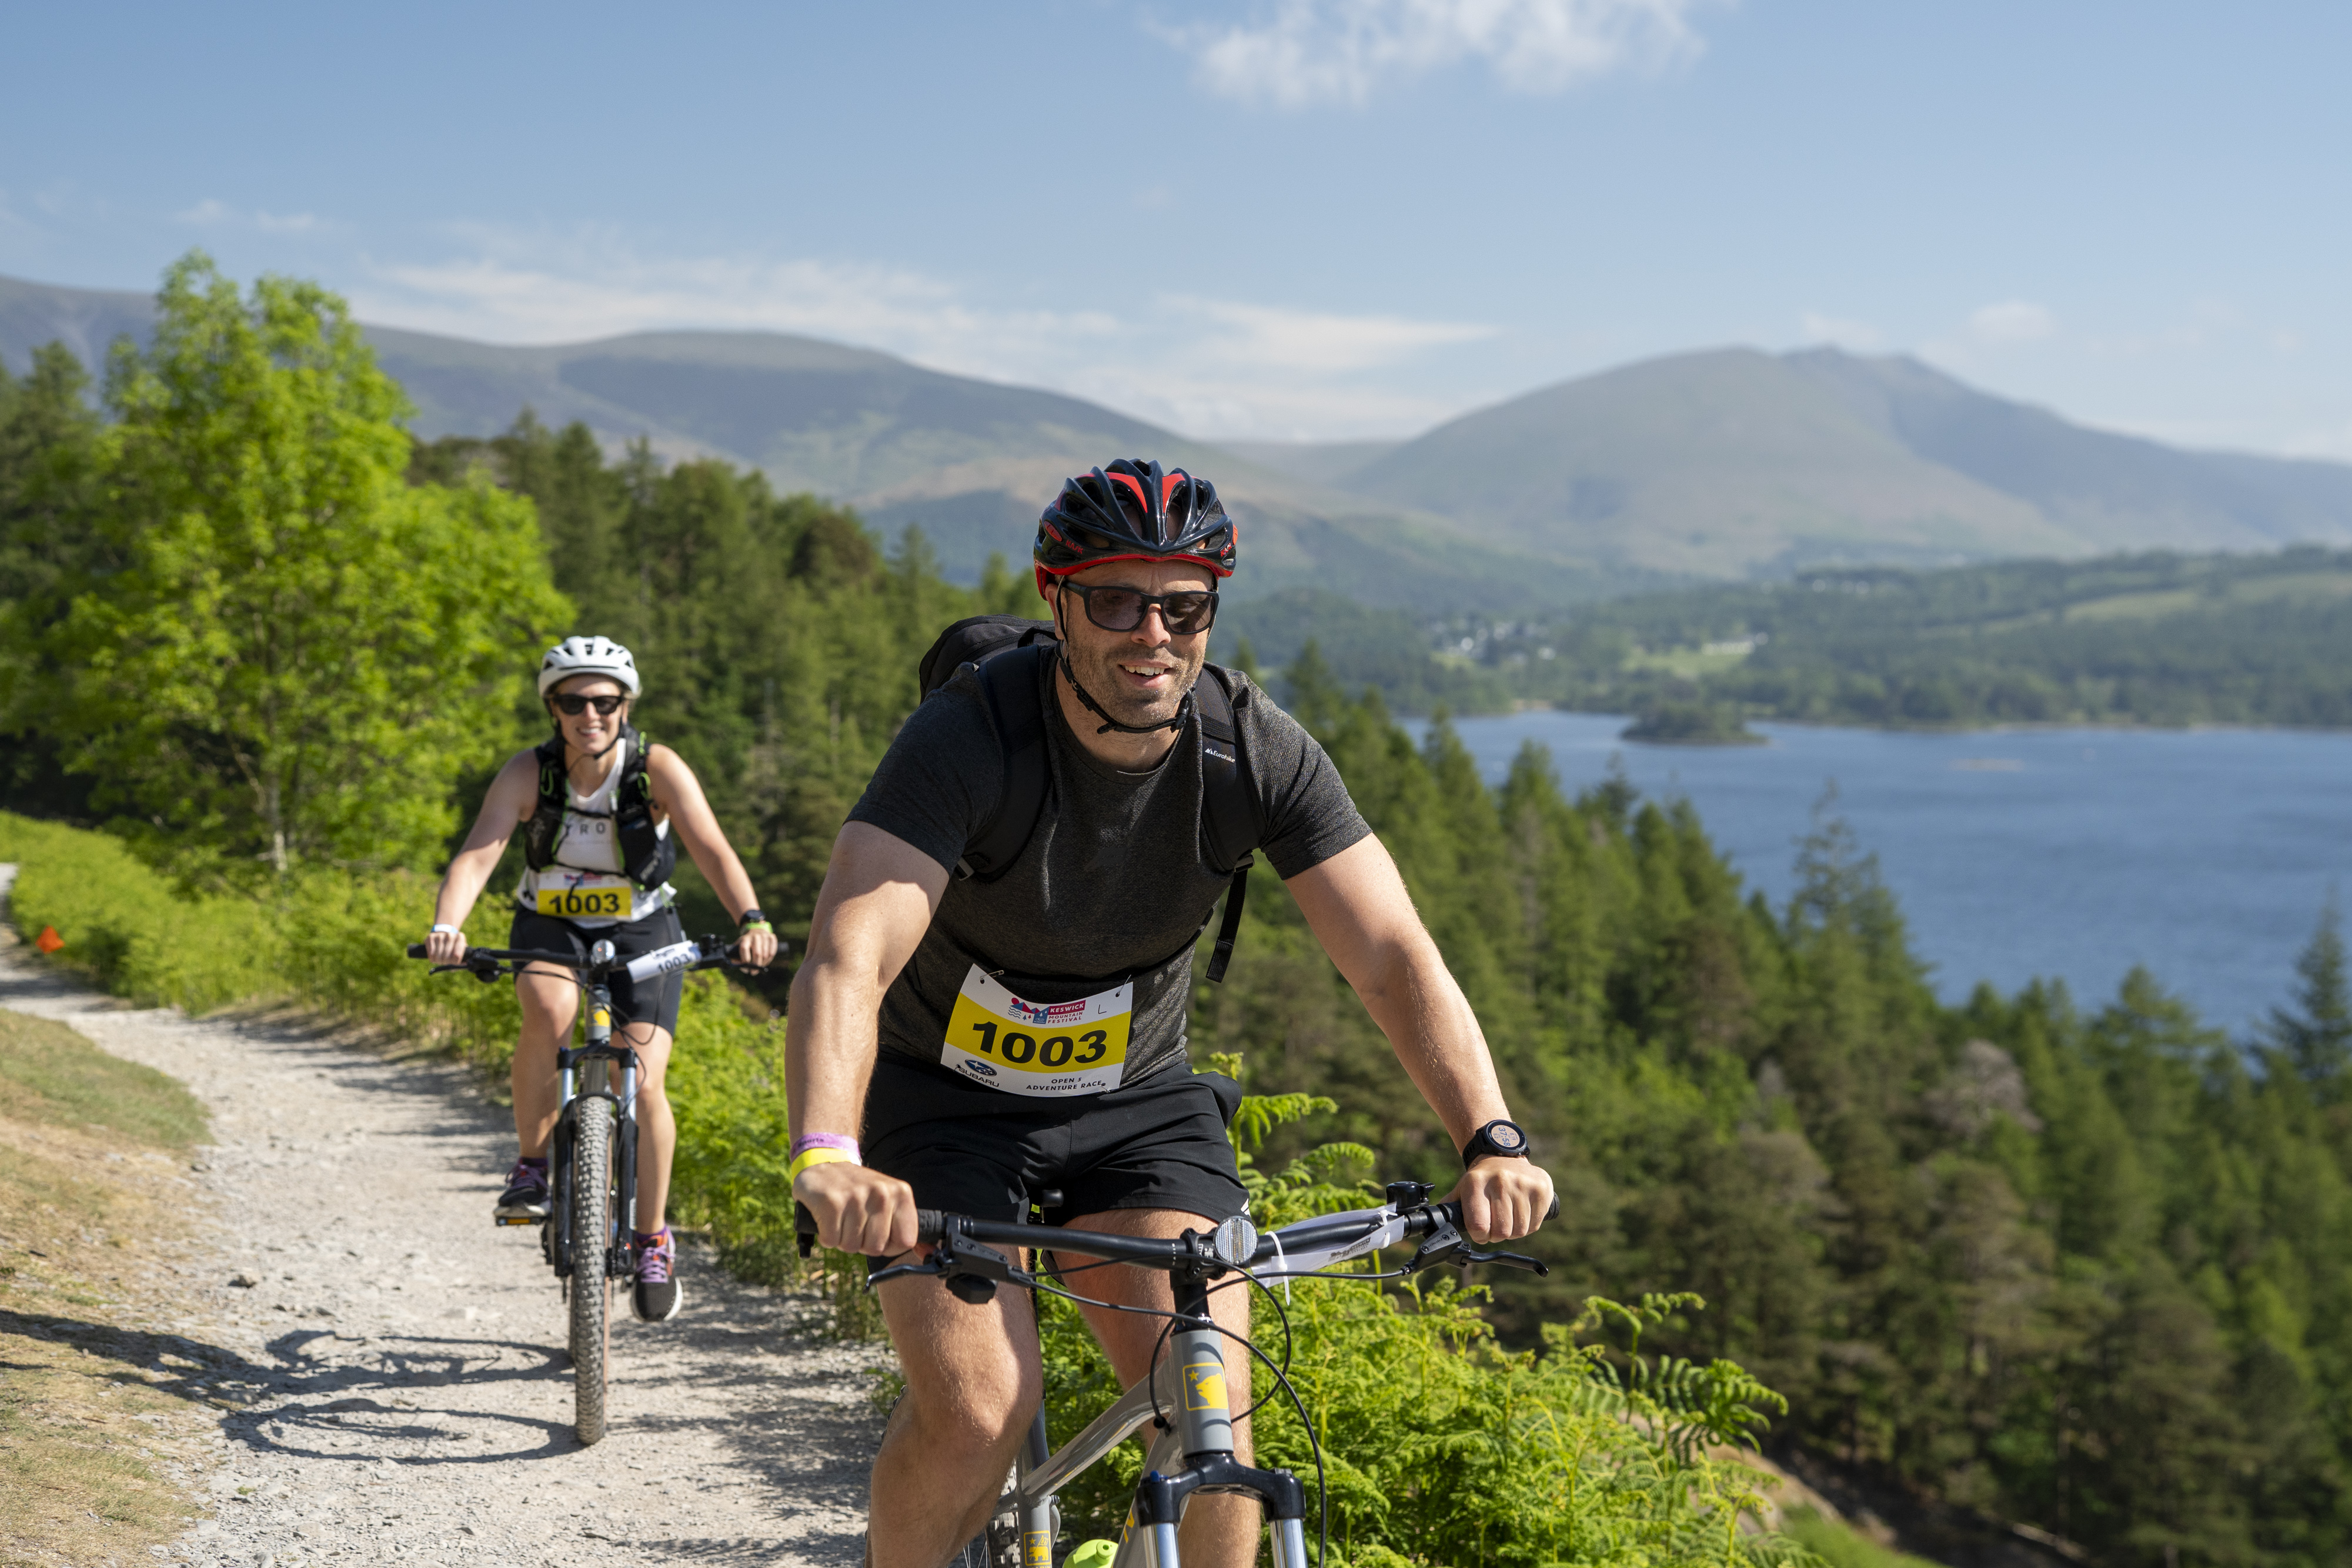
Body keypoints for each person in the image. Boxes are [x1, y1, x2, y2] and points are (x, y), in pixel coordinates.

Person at [787, 460, 1555, 1568]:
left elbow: (1391, 954)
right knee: (977, 1414)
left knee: (1211, 1410)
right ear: (1057, 601)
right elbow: (849, 956)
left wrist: (1490, 1135)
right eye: (1116, 600)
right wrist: (827, 1149)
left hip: (1134, 1107)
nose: (1151, 632)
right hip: (941, 1104)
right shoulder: (971, 738)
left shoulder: (1249, 747)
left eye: (1183, 605)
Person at [424, 636, 780, 1323]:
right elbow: (478, 855)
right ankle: (533, 1162)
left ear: (625, 706)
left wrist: (752, 919)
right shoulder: (528, 773)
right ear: (552, 709)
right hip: (549, 924)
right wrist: (448, 926)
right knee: (546, 1009)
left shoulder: (656, 769)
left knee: (643, 1077)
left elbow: (711, 847)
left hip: (643, 925)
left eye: (605, 701)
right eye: (573, 701)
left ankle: (652, 1237)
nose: (590, 714)